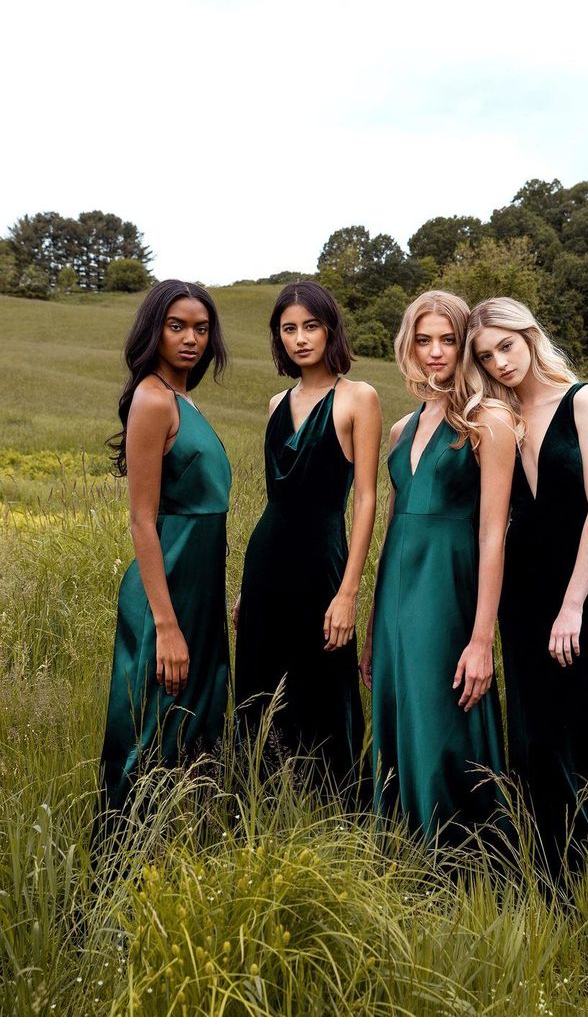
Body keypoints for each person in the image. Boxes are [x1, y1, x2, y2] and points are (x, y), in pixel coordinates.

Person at [464, 296, 588, 877]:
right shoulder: (500, 417)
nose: (499, 363)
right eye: (487, 356)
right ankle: (553, 866)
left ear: (530, 336)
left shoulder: (582, 399)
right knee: (536, 725)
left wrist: (572, 607)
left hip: (583, 585)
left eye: (506, 346)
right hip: (522, 587)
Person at [361, 290, 515, 847]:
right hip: (397, 595)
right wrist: (375, 627)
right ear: (408, 345)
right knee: (399, 713)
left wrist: (481, 638)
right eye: (423, 340)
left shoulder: (489, 421)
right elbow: (393, 529)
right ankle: (402, 849)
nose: (435, 352)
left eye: (448, 340)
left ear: (464, 346)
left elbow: (493, 533)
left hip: (449, 592)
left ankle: (459, 856)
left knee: (443, 713)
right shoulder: (403, 429)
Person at [233, 281, 381, 793]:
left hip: (323, 562)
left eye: (310, 326)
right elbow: (277, 499)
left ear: (330, 329)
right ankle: (263, 797)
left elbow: (365, 499)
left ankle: (334, 806)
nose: (300, 339)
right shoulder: (276, 402)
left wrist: (349, 590)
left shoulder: (358, 397)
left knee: (323, 681)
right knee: (259, 681)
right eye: (288, 329)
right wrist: (245, 588)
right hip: (267, 560)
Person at [98, 279, 231, 832]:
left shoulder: (182, 398)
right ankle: (115, 874)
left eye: (201, 329)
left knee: (189, 735)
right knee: (146, 738)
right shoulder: (153, 398)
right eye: (177, 326)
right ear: (154, 329)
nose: (190, 339)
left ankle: (174, 862)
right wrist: (166, 625)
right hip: (165, 598)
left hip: (199, 595)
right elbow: (142, 520)